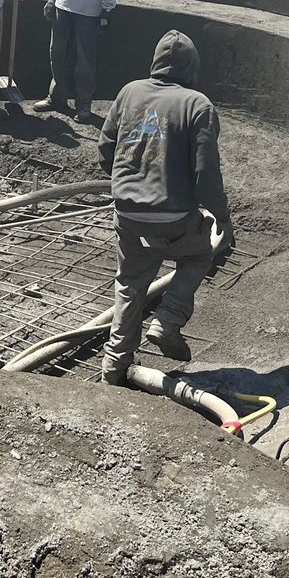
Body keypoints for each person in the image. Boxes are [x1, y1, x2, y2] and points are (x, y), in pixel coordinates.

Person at [97, 30, 233, 386]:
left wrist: (131, 181)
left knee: (129, 285)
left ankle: (113, 367)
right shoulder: (198, 105)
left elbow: (105, 151)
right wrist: (222, 219)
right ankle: (168, 317)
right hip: (173, 216)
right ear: (192, 68)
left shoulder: (130, 92)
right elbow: (206, 176)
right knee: (202, 252)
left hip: (126, 213)